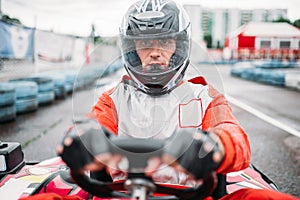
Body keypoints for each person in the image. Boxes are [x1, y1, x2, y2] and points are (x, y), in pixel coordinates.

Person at [27, 0, 298, 200]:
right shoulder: (113, 99)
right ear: (131, 50)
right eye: (145, 45)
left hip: (190, 195)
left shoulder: (204, 96)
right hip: (118, 194)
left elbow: (235, 137)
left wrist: (215, 147)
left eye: (165, 43)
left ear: (179, 47)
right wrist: (82, 142)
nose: (155, 53)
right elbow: (85, 129)